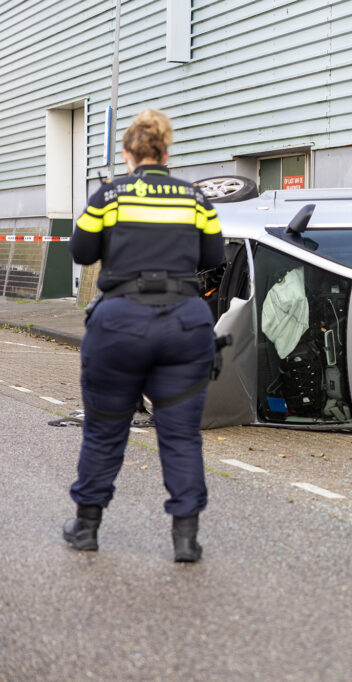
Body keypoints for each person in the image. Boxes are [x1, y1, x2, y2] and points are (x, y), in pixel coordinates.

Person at [63, 108, 225, 562]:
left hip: (120, 322)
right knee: (180, 436)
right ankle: (186, 540)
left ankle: (86, 529)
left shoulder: (109, 194)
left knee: (103, 432)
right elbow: (214, 255)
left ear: (128, 153)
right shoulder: (194, 198)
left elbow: (80, 250)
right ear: (166, 151)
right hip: (184, 322)